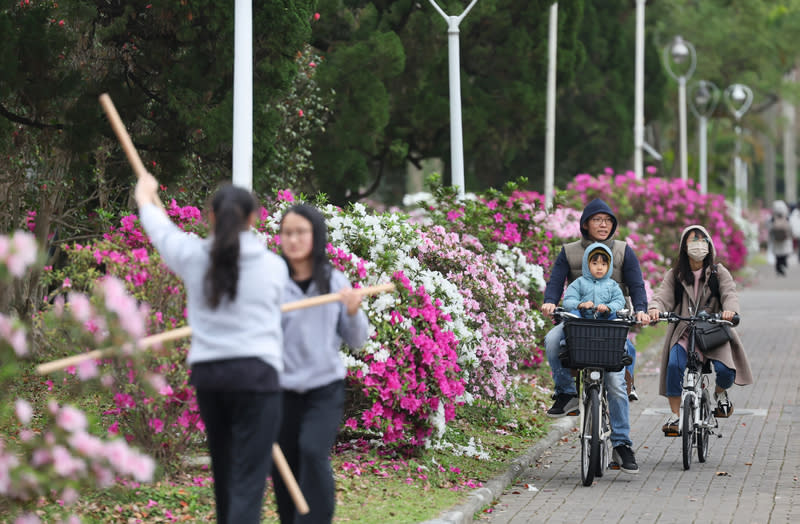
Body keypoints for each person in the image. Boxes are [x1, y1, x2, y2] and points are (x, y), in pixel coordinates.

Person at [135, 173, 287, 524]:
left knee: (224, 472)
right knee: (248, 481)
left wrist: (145, 197)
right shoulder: (275, 268)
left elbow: (163, 233)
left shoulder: (192, 257)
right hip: (257, 378)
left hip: (211, 377)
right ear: (254, 218)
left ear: (211, 216)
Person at [274, 204, 369, 524]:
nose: (294, 239)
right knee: (284, 465)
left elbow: (357, 339)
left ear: (316, 236)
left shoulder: (334, 282)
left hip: (323, 389)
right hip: (281, 391)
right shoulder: (272, 284)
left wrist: (353, 310)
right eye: (287, 233)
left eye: (301, 232)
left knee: (313, 451)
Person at [540, 198, 649, 474]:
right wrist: (552, 301)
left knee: (615, 383)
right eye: (598, 220)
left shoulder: (624, 251)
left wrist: (642, 311)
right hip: (577, 323)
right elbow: (555, 283)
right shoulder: (569, 252)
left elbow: (636, 286)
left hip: (611, 325)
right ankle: (566, 393)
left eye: (608, 220)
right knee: (553, 340)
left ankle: (622, 444)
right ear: (585, 224)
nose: (604, 225)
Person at [647, 225, 753, 436]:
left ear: (709, 245)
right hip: (685, 330)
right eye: (692, 240)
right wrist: (654, 310)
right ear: (684, 246)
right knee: (674, 364)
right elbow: (662, 296)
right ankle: (675, 415)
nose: (698, 244)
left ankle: (720, 394)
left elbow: (729, 293)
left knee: (725, 371)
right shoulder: (675, 275)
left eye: (702, 240)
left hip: (714, 331)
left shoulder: (718, 272)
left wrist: (730, 311)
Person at [561, 242, 626, 320]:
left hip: (606, 321)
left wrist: (608, 307)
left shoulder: (612, 285)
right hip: (582, 320)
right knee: (573, 314)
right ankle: (576, 323)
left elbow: (619, 301)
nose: (599, 268)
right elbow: (568, 301)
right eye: (595, 263)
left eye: (603, 264)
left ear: (609, 266)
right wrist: (581, 305)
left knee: (616, 315)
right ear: (587, 264)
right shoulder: (579, 283)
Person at [769, 200, 793, 276]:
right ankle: (783, 267)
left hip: (776, 240)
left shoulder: (773, 218)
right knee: (784, 255)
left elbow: (770, 229)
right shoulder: (787, 217)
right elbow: (790, 228)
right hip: (785, 239)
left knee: (778, 256)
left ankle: (778, 269)